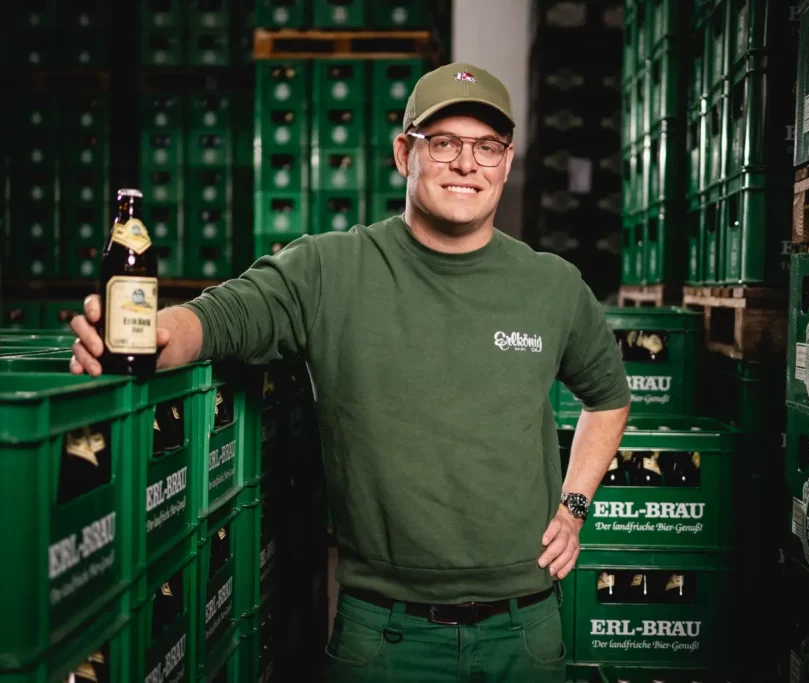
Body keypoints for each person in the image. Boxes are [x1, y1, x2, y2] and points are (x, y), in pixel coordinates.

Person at [70, 61, 630, 682]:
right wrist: (150, 338)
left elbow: (609, 397)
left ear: (506, 160)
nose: (468, 164)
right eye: (444, 143)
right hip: (384, 634)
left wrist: (573, 506)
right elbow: (223, 317)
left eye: (487, 147)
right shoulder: (330, 270)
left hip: (525, 631)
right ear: (404, 153)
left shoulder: (552, 285)